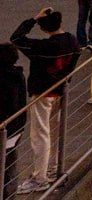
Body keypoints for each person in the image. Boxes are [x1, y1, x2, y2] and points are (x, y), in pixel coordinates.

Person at [8, 10, 79, 193]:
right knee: (54, 131)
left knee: (40, 135)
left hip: (42, 92)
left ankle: (40, 177)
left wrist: (33, 18)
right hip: (60, 90)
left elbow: (16, 38)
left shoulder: (42, 47)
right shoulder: (71, 40)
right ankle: (53, 167)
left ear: (42, 27)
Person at [1, 43, 25, 200]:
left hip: (4, 129)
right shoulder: (18, 75)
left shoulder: (3, 80)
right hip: (16, 127)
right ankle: (10, 195)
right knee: (10, 164)